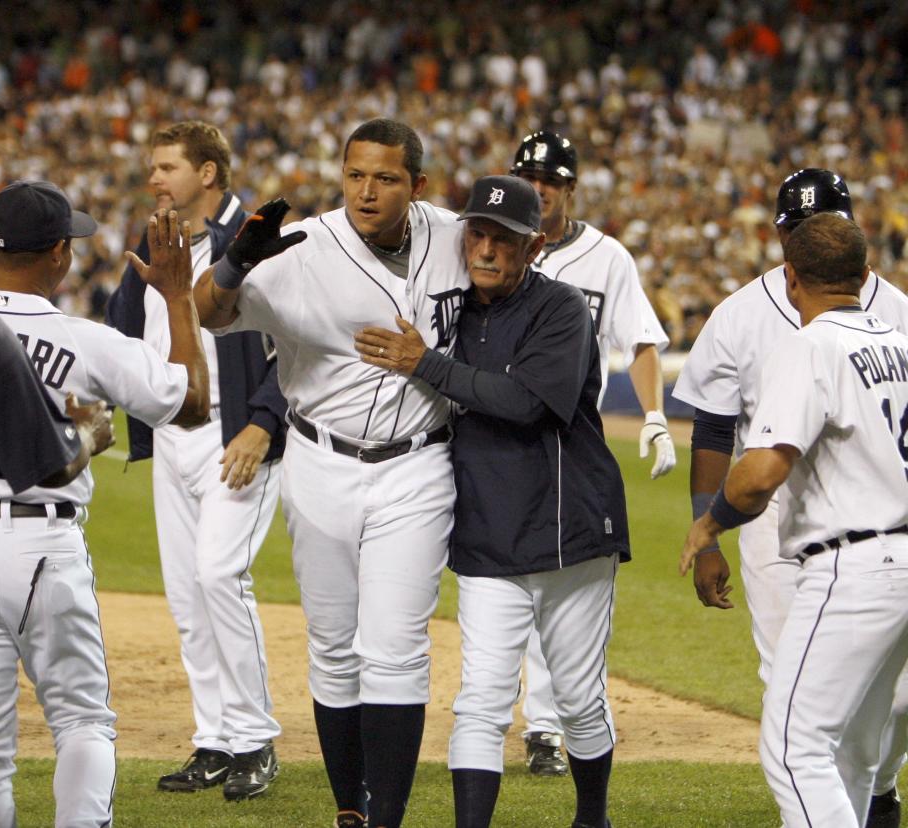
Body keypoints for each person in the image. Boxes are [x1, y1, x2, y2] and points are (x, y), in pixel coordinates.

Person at [193, 118, 468, 828]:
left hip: (418, 465)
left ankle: (388, 819)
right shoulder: (304, 247)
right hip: (319, 460)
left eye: (385, 178)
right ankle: (350, 807)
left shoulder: (455, 237)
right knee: (334, 646)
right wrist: (231, 267)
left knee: (397, 648)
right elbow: (210, 312)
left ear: (418, 185)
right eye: (355, 175)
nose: (367, 191)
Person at [354, 174, 629, 828]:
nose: (485, 248)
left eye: (503, 238)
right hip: (486, 537)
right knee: (480, 700)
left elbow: (529, 402)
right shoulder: (448, 310)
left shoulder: (562, 308)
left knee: (581, 699)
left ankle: (592, 817)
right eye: (476, 232)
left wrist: (427, 364)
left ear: (533, 246)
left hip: (570, 535)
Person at [0, 181, 210, 828]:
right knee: (82, 719)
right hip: (43, 544)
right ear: (60, 254)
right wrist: (177, 296)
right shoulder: (85, 341)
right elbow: (193, 402)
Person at [672, 168, 908, 827]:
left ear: (793, 272)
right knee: (857, 751)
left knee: (791, 746)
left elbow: (760, 473)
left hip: (850, 562)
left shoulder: (810, 346)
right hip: (898, 555)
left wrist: (708, 523)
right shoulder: (901, 342)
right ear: (863, 272)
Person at [106, 120, 291, 800]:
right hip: (171, 438)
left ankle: (254, 740)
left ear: (208, 173)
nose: (153, 178)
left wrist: (265, 423)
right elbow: (123, 331)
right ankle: (214, 739)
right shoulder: (156, 240)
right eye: (153, 168)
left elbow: (302, 346)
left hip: (235, 437)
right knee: (188, 600)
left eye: (166, 167)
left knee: (218, 577)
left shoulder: (257, 241)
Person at [509, 130, 675, 776]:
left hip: (570, 439)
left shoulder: (607, 258)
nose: (538, 188)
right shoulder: (491, 240)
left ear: (570, 189)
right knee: (504, 582)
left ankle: (547, 729)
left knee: (562, 580)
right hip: (499, 433)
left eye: (548, 180)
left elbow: (640, 342)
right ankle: (503, 717)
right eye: (528, 177)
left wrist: (656, 415)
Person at [0, 173, 110, 703]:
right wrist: (86, 434)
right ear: (60, 253)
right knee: (80, 715)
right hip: (30, 543)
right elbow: (46, 465)